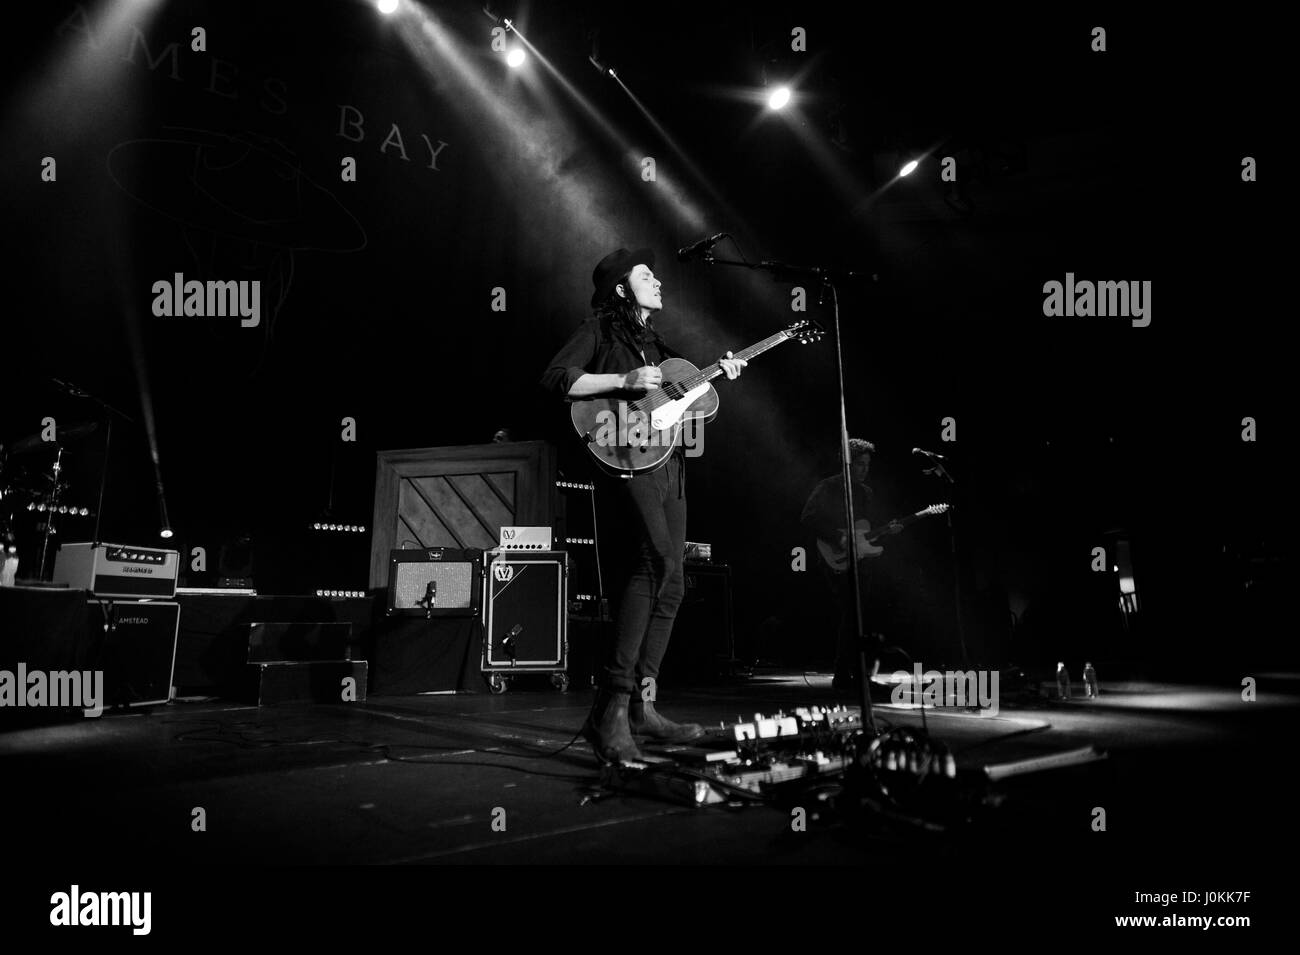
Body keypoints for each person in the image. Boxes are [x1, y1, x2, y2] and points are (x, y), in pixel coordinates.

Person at [540, 247, 745, 763]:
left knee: (674, 578)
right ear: (620, 288)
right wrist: (624, 380)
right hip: (622, 451)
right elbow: (558, 378)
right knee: (653, 561)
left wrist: (718, 372)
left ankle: (642, 707)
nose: (658, 280)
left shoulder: (658, 344)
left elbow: (677, 403)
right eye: (645, 274)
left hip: (669, 464)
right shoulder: (600, 331)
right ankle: (608, 709)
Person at [800, 439, 900, 694]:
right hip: (834, 557)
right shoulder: (828, 487)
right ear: (847, 464)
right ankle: (844, 672)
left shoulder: (867, 493)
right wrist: (839, 537)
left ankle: (858, 672)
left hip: (861, 560)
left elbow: (868, 531)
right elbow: (808, 518)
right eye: (859, 464)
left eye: (867, 465)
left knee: (860, 614)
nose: (864, 470)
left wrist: (888, 531)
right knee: (851, 612)